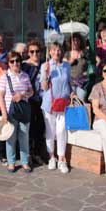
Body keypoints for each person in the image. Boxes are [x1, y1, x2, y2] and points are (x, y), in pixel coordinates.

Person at [0, 51, 34, 173]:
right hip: (11, 112)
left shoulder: (25, 76)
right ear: (8, 63)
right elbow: (0, 96)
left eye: (17, 61)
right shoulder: (4, 77)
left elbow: (31, 91)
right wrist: (3, 113)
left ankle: (24, 162)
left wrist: (22, 94)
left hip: (24, 111)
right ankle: (11, 162)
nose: (15, 63)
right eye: (12, 61)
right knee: (11, 138)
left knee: (24, 137)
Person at [40, 41, 72, 174]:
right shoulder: (46, 65)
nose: (56, 52)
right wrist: (46, 74)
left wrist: (72, 93)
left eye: (58, 50)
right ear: (50, 51)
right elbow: (44, 87)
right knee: (50, 132)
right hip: (50, 105)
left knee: (61, 131)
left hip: (63, 103)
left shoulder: (67, 65)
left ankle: (61, 159)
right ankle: (51, 157)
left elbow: (69, 83)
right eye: (53, 50)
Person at [21, 40, 45, 164]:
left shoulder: (45, 65)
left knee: (40, 127)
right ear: (28, 53)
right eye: (32, 51)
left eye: (37, 51)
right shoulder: (25, 66)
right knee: (29, 128)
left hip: (42, 100)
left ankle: (37, 153)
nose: (35, 53)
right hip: (29, 100)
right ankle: (28, 154)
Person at [64, 32, 88, 101]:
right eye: (73, 40)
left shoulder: (85, 53)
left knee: (81, 100)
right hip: (71, 82)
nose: (75, 42)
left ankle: (81, 112)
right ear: (70, 42)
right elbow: (63, 67)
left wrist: (87, 72)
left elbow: (95, 61)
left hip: (82, 82)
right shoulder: (67, 54)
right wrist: (71, 60)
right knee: (71, 101)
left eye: (77, 40)